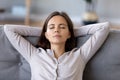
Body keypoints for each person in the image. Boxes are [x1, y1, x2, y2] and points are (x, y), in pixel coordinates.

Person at [4, 11, 110, 80]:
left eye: (62, 27)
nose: (56, 30)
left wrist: (73, 31)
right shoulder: (34, 55)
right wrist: (43, 32)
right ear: (46, 34)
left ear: (69, 34)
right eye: (51, 27)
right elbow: (8, 29)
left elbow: (104, 28)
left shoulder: (79, 56)